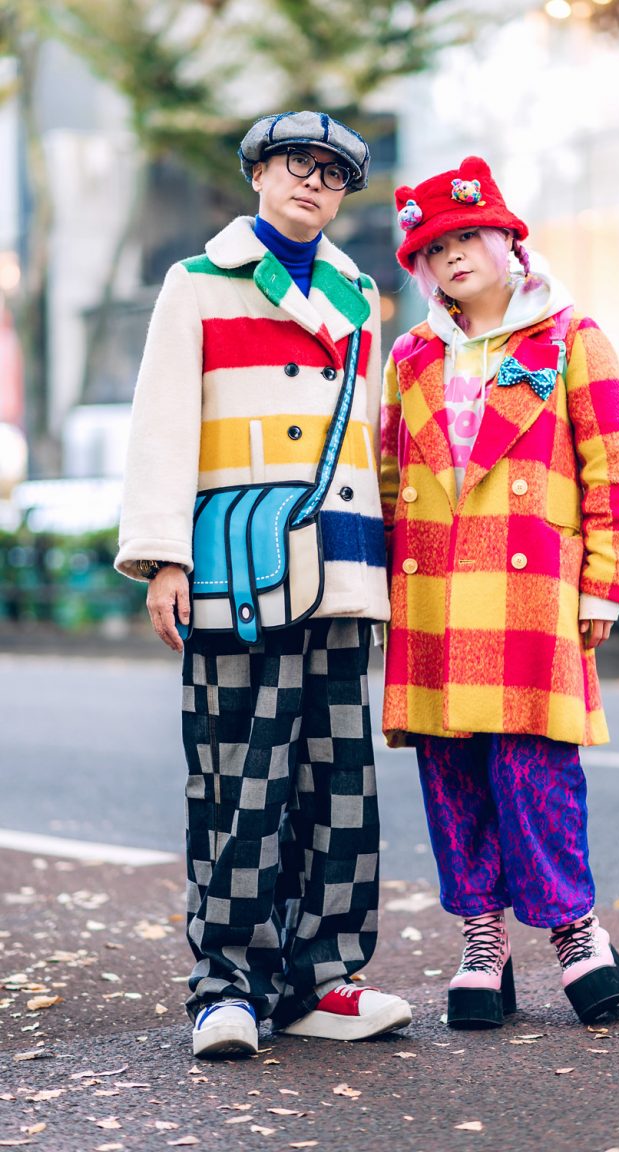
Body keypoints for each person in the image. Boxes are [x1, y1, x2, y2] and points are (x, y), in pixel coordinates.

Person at [116, 110, 412, 1058]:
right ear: (258, 174)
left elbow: (367, 437)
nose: (313, 183)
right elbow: (161, 426)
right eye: (296, 165)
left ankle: (325, 978)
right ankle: (228, 984)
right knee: (239, 775)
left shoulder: (359, 292)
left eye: (331, 173)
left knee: (339, 779)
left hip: (339, 565)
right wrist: (164, 555)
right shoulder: (197, 284)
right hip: (234, 570)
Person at [380, 156, 619, 1030]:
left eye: (467, 237)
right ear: (419, 267)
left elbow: (615, 468)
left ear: (506, 239)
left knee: (535, 768)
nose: (453, 256)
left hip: (530, 592)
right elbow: (388, 478)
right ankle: (482, 943)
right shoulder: (411, 355)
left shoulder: (569, 336)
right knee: (450, 773)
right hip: (433, 593)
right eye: (434, 247)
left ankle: (577, 933)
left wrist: (604, 583)